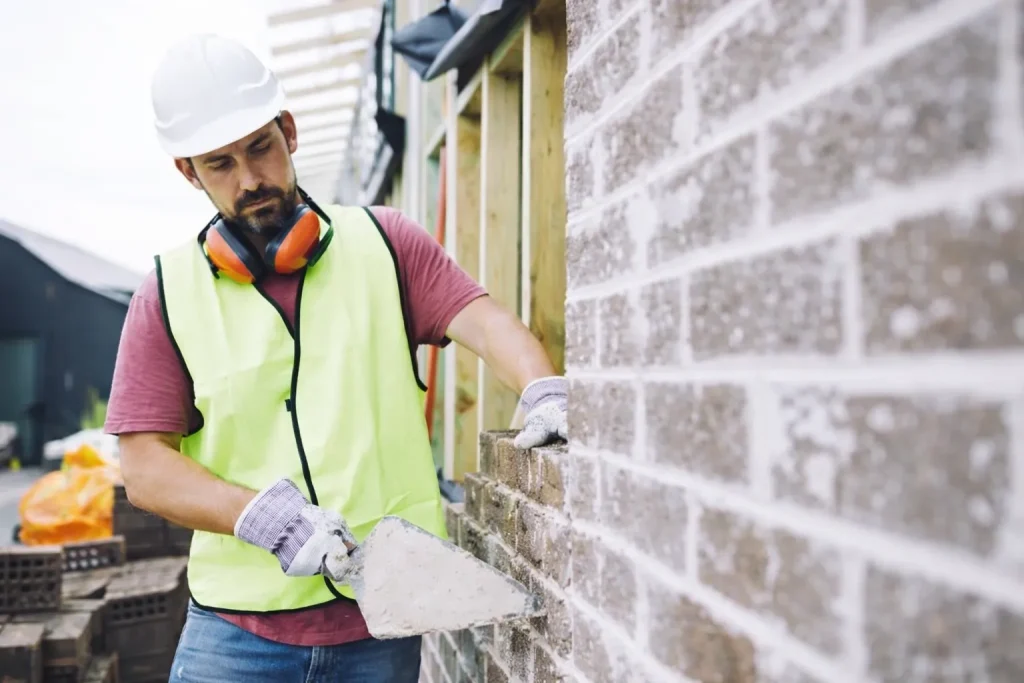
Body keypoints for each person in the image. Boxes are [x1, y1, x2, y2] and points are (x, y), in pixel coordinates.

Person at [103, 33, 567, 683]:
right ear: (189, 172)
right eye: (220, 164)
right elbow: (145, 468)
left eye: (259, 147)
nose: (249, 179)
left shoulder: (387, 244)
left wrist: (544, 386)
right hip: (235, 637)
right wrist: (255, 514)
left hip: (377, 632)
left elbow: (488, 325)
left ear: (288, 131)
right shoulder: (166, 294)